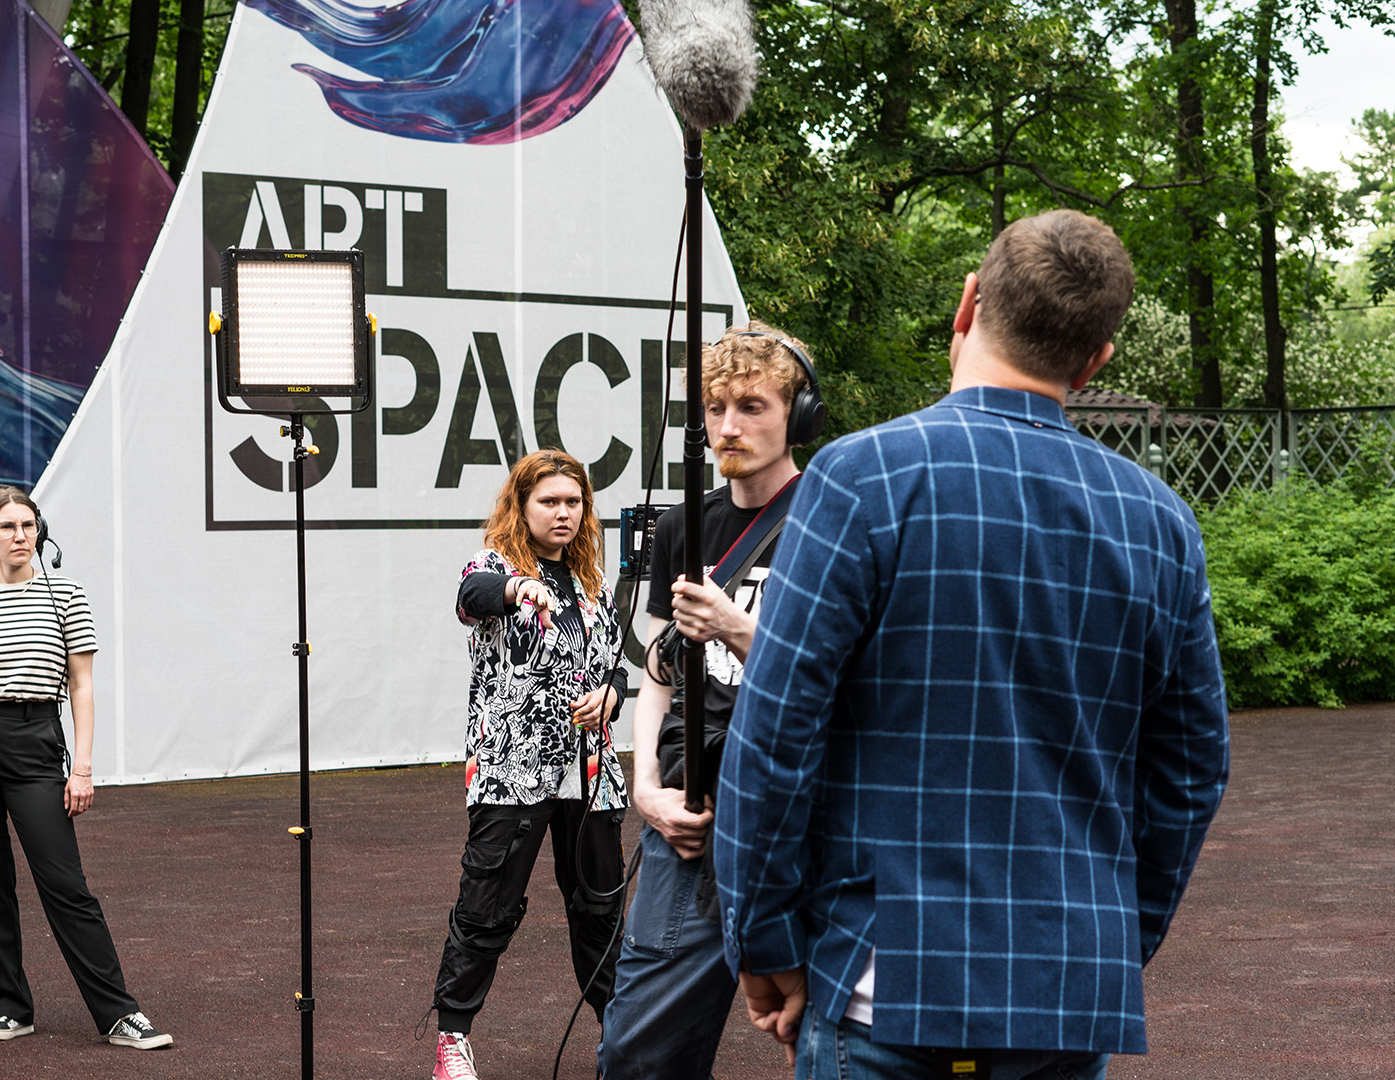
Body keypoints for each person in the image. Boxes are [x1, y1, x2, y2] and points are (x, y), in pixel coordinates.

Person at [715, 209, 1231, 1078]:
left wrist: (764, 938)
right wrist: (1111, 939)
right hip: (1068, 991)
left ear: (967, 305)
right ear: (1096, 359)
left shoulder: (863, 478)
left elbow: (775, 732)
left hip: (882, 977)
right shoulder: (1161, 523)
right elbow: (1191, 772)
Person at [599, 322, 821, 1079]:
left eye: (753, 406)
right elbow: (658, 674)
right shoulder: (681, 526)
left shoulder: (833, 520)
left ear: (800, 415)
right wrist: (645, 789)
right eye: (716, 407)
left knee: (825, 1041)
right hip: (689, 821)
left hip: (799, 820)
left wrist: (735, 627)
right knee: (638, 1052)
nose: (729, 427)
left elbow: (839, 683)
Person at [0, 485, 171, 1051]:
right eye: (7, 527)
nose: (20, 536)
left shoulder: (66, 593)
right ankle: (9, 1009)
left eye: (28, 525)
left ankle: (119, 1014)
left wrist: (82, 768)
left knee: (65, 884)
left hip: (34, 737)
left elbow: (82, 685)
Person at [428, 449, 630, 1080]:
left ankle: (621, 1040)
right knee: (487, 906)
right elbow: (471, 597)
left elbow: (617, 665)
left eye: (573, 502)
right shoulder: (493, 564)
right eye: (549, 501)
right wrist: (517, 588)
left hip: (590, 775)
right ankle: (452, 1040)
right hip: (512, 770)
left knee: (600, 912)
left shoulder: (593, 582)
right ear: (521, 506)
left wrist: (612, 695)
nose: (563, 513)